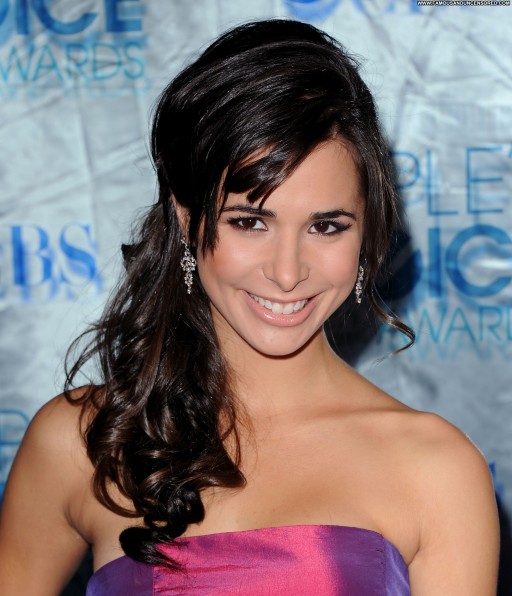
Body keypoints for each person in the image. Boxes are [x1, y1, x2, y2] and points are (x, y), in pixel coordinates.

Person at [0, 19, 499, 596]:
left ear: (365, 234)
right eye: (250, 222)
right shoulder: (83, 442)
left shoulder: (437, 469)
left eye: (326, 226)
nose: (287, 273)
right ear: (187, 220)